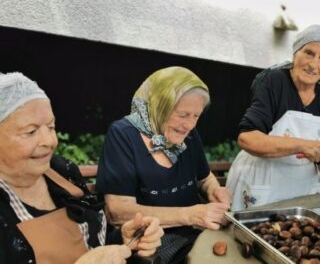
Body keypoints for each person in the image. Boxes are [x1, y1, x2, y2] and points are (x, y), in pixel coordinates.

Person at [0, 72, 164, 264]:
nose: (49, 141)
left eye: (51, 127)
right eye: (31, 131)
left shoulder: (62, 172)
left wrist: (123, 240)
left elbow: (89, 241)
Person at [96, 66, 232, 264]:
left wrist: (214, 189)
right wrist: (191, 215)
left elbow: (205, 178)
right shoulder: (123, 134)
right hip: (147, 246)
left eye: (196, 116)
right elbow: (117, 212)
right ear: (160, 105)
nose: (190, 125)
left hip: (193, 238)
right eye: (183, 115)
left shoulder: (190, 136)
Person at [226, 25, 320, 211]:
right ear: (295, 53)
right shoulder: (273, 81)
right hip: (260, 187)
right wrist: (302, 145)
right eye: (309, 53)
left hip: (299, 195)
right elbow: (247, 139)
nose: (313, 65)